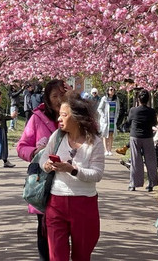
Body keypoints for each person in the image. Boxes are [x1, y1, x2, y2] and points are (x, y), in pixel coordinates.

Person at [41, 93, 105, 261]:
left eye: (64, 115)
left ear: (76, 118)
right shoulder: (57, 136)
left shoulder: (95, 142)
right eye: (59, 114)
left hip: (84, 204)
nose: (59, 119)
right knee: (56, 256)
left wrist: (72, 169)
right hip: (56, 202)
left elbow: (97, 174)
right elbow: (43, 158)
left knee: (82, 256)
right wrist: (47, 165)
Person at [17, 78, 69, 261]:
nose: (59, 100)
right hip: (44, 183)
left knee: (66, 230)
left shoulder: (75, 119)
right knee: (44, 228)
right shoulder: (37, 118)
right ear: (46, 98)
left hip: (69, 182)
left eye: (62, 95)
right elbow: (22, 146)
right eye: (54, 96)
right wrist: (35, 152)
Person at [125, 89, 158, 192]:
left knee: (135, 160)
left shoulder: (133, 110)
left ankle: (133, 184)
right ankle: (151, 183)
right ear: (148, 100)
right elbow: (154, 123)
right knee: (150, 160)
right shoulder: (152, 111)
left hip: (135, 136)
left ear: (138, 99)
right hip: (148, 136)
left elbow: (128, 122)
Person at [97, 85, 120, 155]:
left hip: (113, 119)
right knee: (105, 134)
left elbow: (118, 109)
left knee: (111, 134)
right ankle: (105, 150)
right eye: (110, 89)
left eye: (113, 90)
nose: (112, 91)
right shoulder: (104, 99)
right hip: (106, 119)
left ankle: (110, 149)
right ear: (108, 91)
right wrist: (103, 116)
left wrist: (117, 116)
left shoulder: (116, 99)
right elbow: (99, 108)